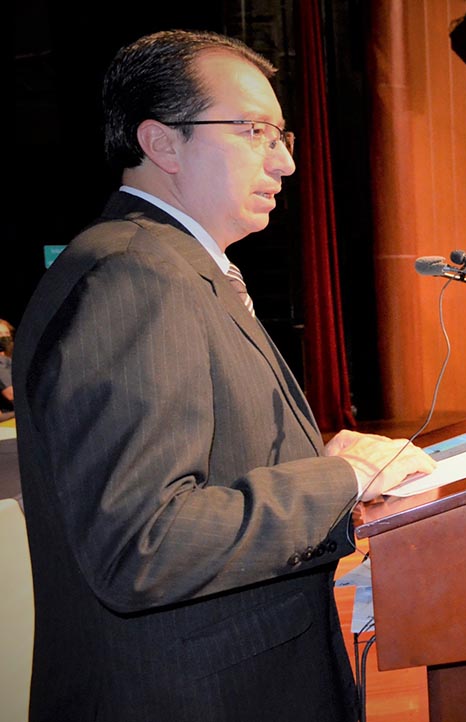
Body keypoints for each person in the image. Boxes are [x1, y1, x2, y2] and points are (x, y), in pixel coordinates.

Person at [11, 31, 438, 721]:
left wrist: (328, 476)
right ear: (163, 143)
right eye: (254, 131)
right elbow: (144, 544)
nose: (286, 162)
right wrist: (340, 478)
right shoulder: (136, 276)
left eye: (282, 134)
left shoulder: (174, 266)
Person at [0, 319, 13, 415]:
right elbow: (11, 395)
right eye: (0, 334)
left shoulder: (9, 358)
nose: (4, 337)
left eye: (7, 333)